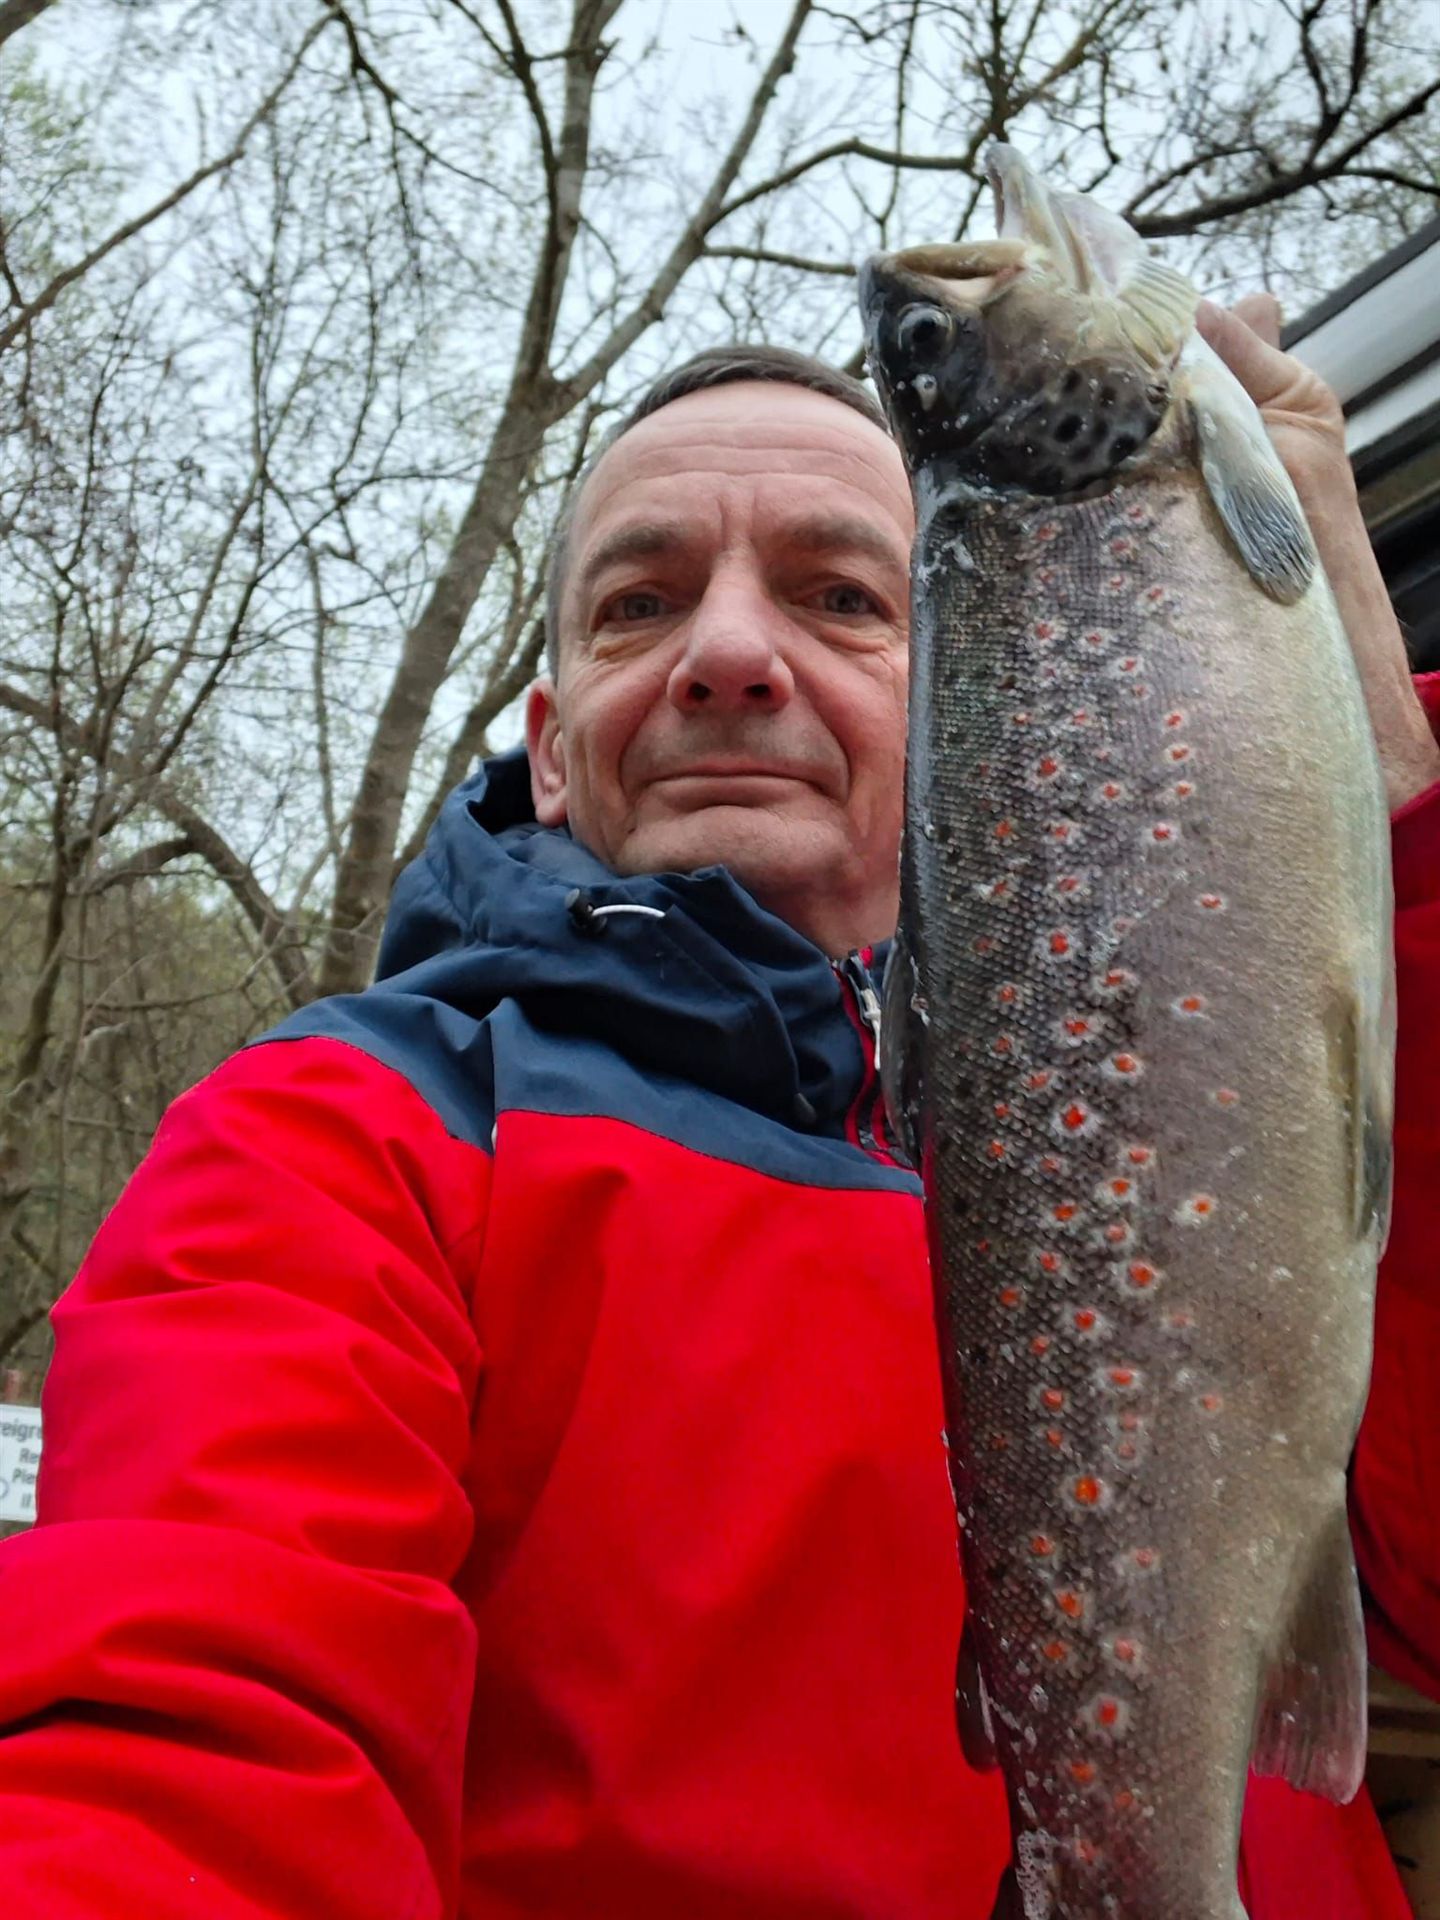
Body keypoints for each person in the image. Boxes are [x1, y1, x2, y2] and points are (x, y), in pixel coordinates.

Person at [0, 307, 1436, 1920]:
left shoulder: (1227, 1098)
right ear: (552, 754)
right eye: (639, 605)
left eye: (841, 597)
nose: (731, 654)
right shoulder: (337, 1138)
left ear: (974, 695)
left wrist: (1390, 810)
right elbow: (188, 1736)